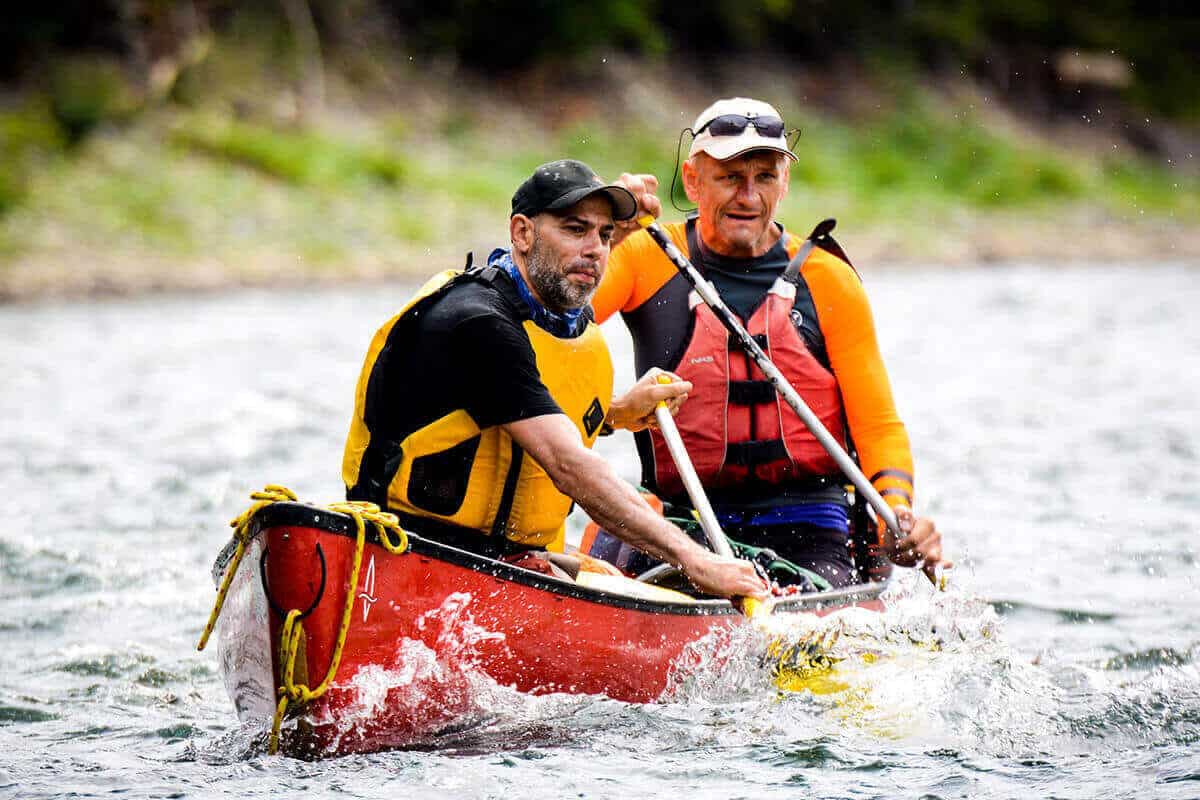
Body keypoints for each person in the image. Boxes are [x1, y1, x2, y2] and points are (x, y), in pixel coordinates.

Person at [341, 158, 766, 601]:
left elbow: (511, 408)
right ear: (522, 233)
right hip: (410, 558)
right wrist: (697, 561)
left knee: (629, 580)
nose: (597, 250)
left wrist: (615, 413)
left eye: (604, 235)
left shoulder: (552, 313)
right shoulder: (477, 323)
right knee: (681, 573)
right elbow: (567, 463)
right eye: (575, 229)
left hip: (500, 562)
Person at [591, 98, 948, 588]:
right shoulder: (642, 256)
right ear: (692, 181)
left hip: (807, 523)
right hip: (680, 520)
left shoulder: (828, 280)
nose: (749, 195)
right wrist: (602, 234)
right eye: (730, 177)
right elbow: (550, 328)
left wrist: (897, 517)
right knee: (607, 560)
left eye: (765, 176)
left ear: (785, 183)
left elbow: (878, 425)